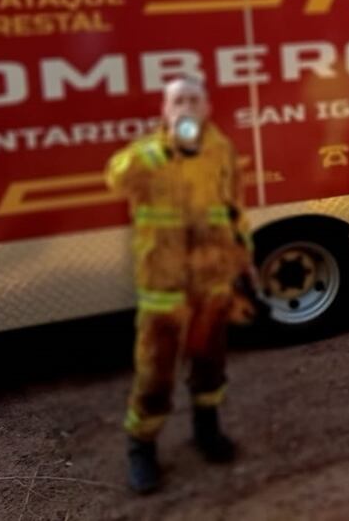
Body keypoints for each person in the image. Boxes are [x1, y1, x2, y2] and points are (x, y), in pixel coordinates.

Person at [106, 77, 255, 494]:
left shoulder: (220, 148)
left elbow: (233, 207)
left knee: (210, 362)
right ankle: (141, 448)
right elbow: (116, 179)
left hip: (211, 284)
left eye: (193, 100)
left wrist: (244, 257)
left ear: (207, 107)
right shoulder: (147, 155)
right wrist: (165, 147)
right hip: (164, 288)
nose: (187, 107)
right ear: (165, 110)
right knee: (155, 373)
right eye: (178, 101)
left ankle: (207, 431)